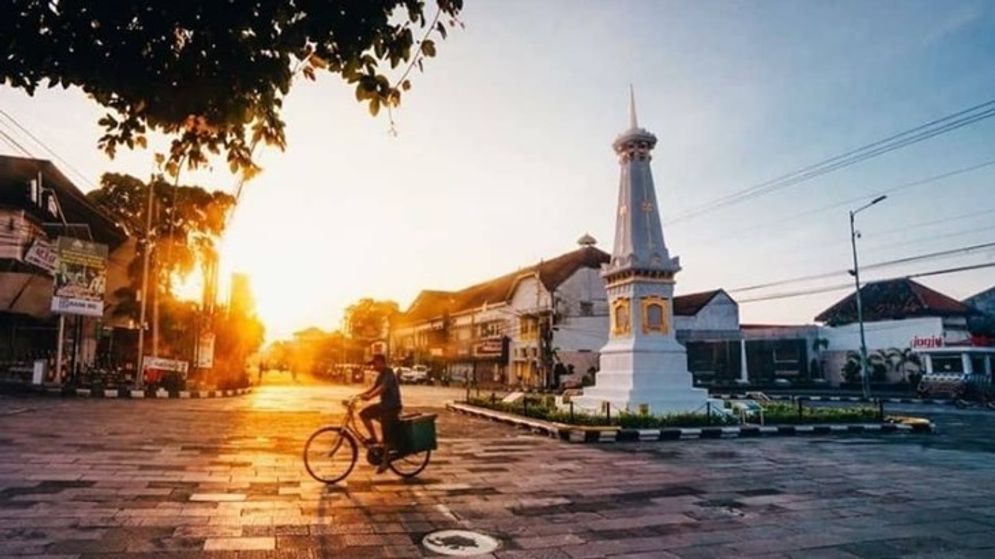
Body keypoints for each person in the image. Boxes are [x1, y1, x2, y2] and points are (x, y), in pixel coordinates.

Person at [357, 354, 402, 474]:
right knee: (364, 414)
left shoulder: (389, 373)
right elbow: (374, 387)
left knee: (386, 432)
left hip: (392, 407)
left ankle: (385, 461)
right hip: (384, 405)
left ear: (381, 362)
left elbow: (382, 388)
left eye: (374, 363)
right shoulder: (381, 375)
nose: (373, 366)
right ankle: (374, 438)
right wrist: (359, 395)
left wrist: (370, 396)